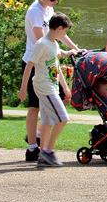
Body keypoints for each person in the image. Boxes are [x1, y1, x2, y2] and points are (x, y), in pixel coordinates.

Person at [22, 0, 83, 162]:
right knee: (34, 107)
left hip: (48, 61)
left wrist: (76, 48)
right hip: (36, 62)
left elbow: (58, 33)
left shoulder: (47, 8)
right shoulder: (35, 12)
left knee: (47, 109)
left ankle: (41, 140)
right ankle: (33, 146)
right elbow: (46, 41)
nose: (55, 3)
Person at [19, 13, 76, 167]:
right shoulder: (41, 44)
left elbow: (57, 61)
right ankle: (48, 151)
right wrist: (23, 88)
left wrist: (65, 86)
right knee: (63, 119)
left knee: (47, 122)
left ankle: (42, 156)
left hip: (52, 86)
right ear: (58, 29)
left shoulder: (53, 43)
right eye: (64, 32)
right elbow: (29, 65)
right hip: (44, 87)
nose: (65, 35)